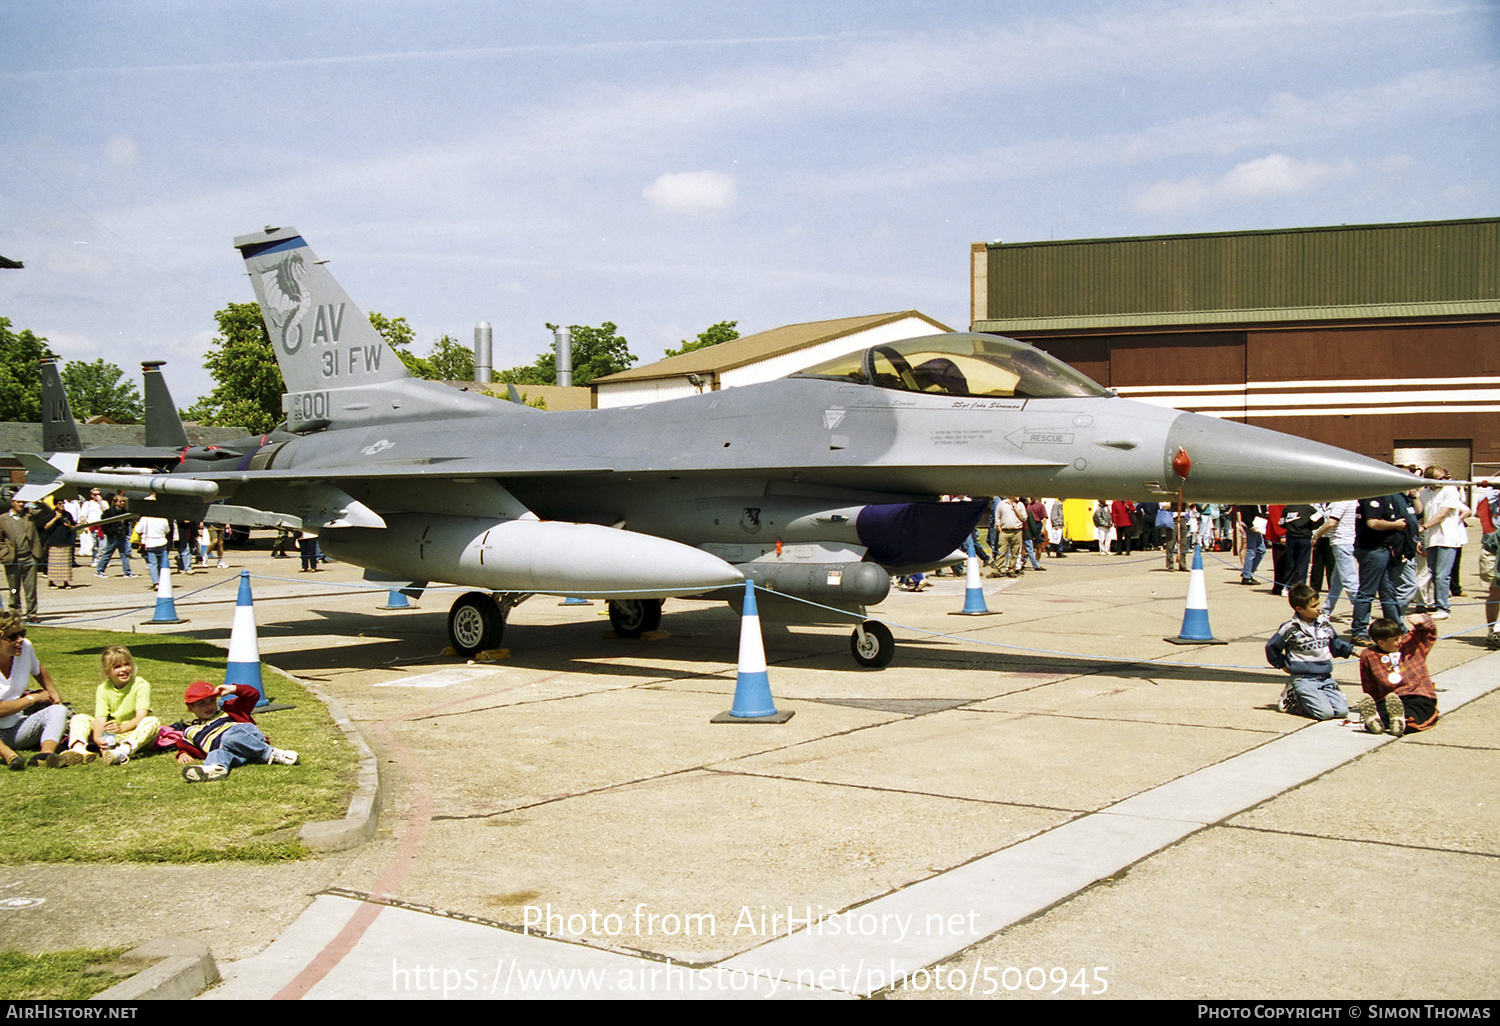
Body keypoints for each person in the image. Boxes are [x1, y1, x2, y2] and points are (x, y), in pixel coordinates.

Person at [58, 645, 161, 767]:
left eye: (127, 664)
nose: (124, 669)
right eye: (117, 667)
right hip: (111, 735)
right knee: (80, 718)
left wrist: (122, 728)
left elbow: (140, 717)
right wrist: (98, 738)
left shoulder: (141, 685)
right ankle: (79, 749)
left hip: (134, 733)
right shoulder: (103, 689)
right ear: (107, 672)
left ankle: (123, 751)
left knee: (152, 721)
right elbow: (100, 717)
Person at [173, 681, 297, 782]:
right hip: (236, 753)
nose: (209, 706)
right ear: (190, 708)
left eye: (212, 701)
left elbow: (252, 695)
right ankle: (216, 768)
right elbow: (186, 746)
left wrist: (233, 689)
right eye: (202, 703)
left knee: (229, 736)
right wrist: (183, 753)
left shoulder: (228, 710)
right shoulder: (190, 731)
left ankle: (271, 753)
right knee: (216, 752)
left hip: (246, 737)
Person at [1266, 583, 1356, 721]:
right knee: (1325, 714)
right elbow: (1271, 647)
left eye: (1318, 604)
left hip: (1325, 678)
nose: (1318, 609)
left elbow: (1336, 644)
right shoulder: (1290, 628)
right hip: (1304, 679)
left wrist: (1354, 651)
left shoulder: (1324, 624)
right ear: (1299, 609)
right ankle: (1293, 699)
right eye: (1314, 606)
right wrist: (1282, 664)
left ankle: (1317, 697)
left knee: (1342, 711)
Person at [0, 612, 68, 770]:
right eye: (13, 636)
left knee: (58, 711)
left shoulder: (26, 648)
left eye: (22, 634)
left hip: (15, 728)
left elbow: (38, 670)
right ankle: (10, 756)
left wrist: (54, 694)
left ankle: (45, 755)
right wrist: (32, 699)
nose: (20, 640)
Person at [1356, 614, 1439, 736]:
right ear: (1381, 643)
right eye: (1395, 639)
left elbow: (1430, 632)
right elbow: (1369, 684)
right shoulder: (1368, 655)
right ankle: (1378, 721)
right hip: (1391, 698)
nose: (1399, 642)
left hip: (1417, 695)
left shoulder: (1410, 644)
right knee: (1383, 711)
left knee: (1417, 713)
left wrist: (1423, 620)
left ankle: (1400, 720)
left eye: (1399, 637)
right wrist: (1375, 701)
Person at [1417, 467, 1467, 620]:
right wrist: (1421, 538)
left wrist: (1424, 527)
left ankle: (1443, 607)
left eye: (1444, 477)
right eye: (1440, 478)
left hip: (1447, 539)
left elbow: (1442, 514)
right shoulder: (1424, 494)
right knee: (1433, 573)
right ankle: (1435, 603)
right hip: (1431, 539)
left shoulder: (1450, 490)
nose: (1443, 481)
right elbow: (1421, 514)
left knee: (1442, 575)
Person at [0, 495, 42, 619]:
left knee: (30, 588)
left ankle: (32, 613)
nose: (21, 504)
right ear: (12, 502)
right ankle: (15, 612)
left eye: (23, 502)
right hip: (12, 559)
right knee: (13, 589)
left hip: (29, 557)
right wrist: (3, 553)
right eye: (19, 502)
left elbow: (46, 513)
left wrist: (38, 502)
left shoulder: (29, 516)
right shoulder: (3, 519)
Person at [93, 493, 138, 578]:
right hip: (113, 537)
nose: (122, 503)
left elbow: (127, 522)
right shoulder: (109, 512)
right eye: (120, 501)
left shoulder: (124, 512)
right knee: (107, 554)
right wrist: (111, 534)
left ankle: (127, 572)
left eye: (123, 501)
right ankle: (99, 571)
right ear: (115, 502)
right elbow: (104, 525)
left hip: (122, 536)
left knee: (125, 554)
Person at [42, 505, 77, 590]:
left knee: (65, 563)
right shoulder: (51, 515)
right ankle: (51, 582)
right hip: (54, 541)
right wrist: (55, 518)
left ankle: (65, 581)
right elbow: (45, 527)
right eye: (60, 503)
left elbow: (74, 525)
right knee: (54, 563)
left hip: (65, 541)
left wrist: (69, 526)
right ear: (56, 505)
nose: (62, 506)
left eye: (63, 503)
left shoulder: (67, 515)